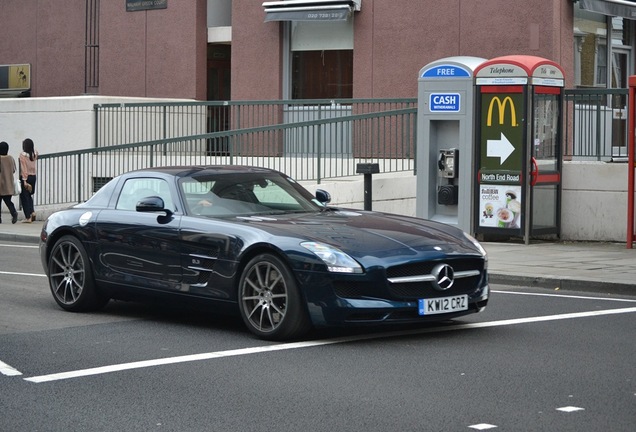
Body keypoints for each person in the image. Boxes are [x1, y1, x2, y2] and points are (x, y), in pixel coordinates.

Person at [19, 138, 38, 223]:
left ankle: (28, 217)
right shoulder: (34, 154)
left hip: (26, 177)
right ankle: (32, 211)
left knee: (24, 197)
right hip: (33, 176)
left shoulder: (22, 155)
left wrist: (24, 180)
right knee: (29, 195)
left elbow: (24, 169)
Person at [0, 141, 19, 224]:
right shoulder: (10, 158)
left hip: (1, 184)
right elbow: (14, 170)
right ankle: (14, 212)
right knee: (8, 201)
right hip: (9, 184)